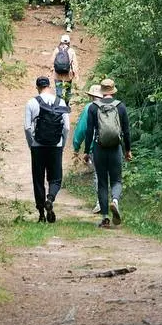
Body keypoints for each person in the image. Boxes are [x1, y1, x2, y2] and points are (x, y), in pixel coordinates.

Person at [84, 77, 132, 228]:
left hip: (99, 148)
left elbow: (89, 131)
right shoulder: (120, 107)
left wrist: (86, 151)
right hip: (115, 148)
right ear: (113, 90)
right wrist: (128, 150)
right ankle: (115, 201)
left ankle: (105, 218)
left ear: (102, 91)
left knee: (103, 182)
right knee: (117, 180)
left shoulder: (93, 107)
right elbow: (126, 131)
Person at [24, 75, 70, 223]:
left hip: (38, 146)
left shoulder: (31, 103)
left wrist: (32, 144)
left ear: (37, 87)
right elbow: (67, 127)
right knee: (55, 178)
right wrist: (62, 143)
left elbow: (27, 127)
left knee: (38, 179)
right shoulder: (60, 102)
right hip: (55, 146)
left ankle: (41, 214)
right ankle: (50, 198)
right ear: (49, 86)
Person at [73, 83, 104, 213]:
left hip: (95, 146)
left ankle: (101, 203)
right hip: (112, 145)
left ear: (91, 96)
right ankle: (114, 200)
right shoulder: (112, 105)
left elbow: (82, 129)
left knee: (98, 174)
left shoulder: (89, 108)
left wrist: (76, 146)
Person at [52, 32, 78, 105]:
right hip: (68, 74)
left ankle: (58, 105)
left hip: (57, 74)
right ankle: (66, 105)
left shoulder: (56, 50)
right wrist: (75, 74)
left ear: (61, 41)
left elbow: (52, 61)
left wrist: (52, 69)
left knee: (58, 91)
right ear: (69, 42)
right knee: (68, 90)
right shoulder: (71, 51)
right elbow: (75, 63)